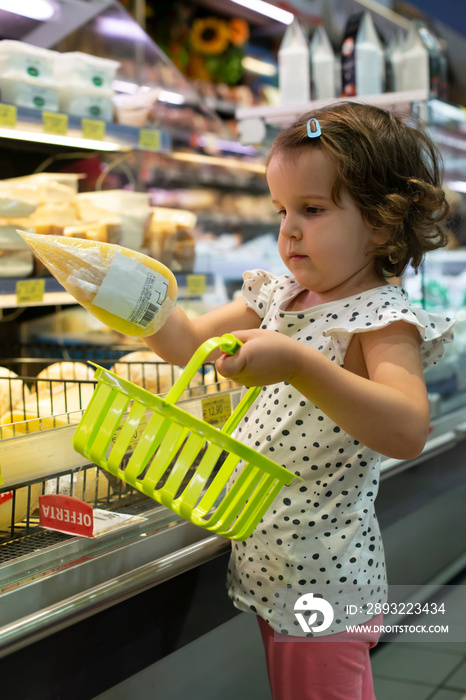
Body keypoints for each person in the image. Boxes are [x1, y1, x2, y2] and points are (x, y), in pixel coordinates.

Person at [143, 102, 455, 699]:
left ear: (384, 224)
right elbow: (187, 344)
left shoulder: (380, 321)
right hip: (275, 566)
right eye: (281, 209)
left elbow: (408, 428)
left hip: (325, 579)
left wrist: (297, 363)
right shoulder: (280, 296)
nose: (288, 229)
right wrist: (135, 300)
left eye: (311, 210)